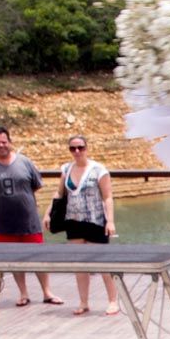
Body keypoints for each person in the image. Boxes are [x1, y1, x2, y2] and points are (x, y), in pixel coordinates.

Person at [0, 123, 60, 306]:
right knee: (13, 259)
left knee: (39, 257)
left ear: (10, 142)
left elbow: (36, 185)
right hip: (3, 223)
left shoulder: (25, 162)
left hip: (29, 220)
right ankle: (23, 293)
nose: (1, 145)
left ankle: (47, 292)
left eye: (4, 142)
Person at [60, 135, 119, 317]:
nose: (77, 151)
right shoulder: (66, 169)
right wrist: (48, 213)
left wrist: (110, 220)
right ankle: (83, 301)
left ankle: (113, 300)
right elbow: (60, 193)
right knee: (79, 264)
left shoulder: (99, 170)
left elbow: (107, 196)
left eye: (80, 147)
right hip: (74, 220)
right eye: (73, 148)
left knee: (102, 263)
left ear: (87, 148)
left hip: (95, 220)